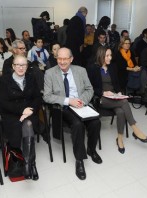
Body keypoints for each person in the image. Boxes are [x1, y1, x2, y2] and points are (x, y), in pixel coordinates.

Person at [43, 47, 102, 180]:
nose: (62, 62)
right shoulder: (50, 73)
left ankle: (91, 150)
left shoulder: (81, 70)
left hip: (82, 104)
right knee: (77, 125)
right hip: (65, 107)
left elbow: (89, 89)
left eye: (65, 59)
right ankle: (79, 160)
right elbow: (47, 96)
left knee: (96, 122)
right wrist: (69, 101)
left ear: (71, 59)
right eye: (59, 58)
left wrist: (82, 101)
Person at [87, 46, 147, 154]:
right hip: (101, 99)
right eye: (107, 56)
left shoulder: (112, 67)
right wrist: (103, 93)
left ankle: (120, 139)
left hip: (114, 97)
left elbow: (116, 84)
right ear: (100, 56)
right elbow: (90, 87)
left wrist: (119, 93)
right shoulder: (92, 68)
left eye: (110, 55)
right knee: (125, 101)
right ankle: (135, 130)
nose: (110, 58)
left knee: (121, 111)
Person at [0, 55, 41, 180]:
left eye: (24, 65)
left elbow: (37, 98)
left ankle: (29, 164)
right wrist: (21, 110)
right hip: (11, 114)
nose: (21, 67)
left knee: (28, 124)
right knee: (23, 125)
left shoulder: (31, 77)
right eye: (18, 65)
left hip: (29, 113)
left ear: (27, 66)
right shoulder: (4, 80)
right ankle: (31, 165)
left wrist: (29, 111)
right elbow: (3, 103)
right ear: (13, 66)